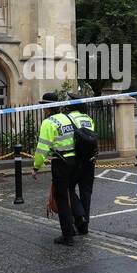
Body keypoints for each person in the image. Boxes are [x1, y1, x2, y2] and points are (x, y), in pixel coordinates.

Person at [32, 92, 84, 246]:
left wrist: (36, 167)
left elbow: (42, 149)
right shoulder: (67, 118)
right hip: (74, 162)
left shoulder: (48, 123)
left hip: (61, 163)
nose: (43, 109)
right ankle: (76, 224)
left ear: (47, 108)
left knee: (62, 200)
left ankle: (68, 236)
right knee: (69, 193)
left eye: (43, 106)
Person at [66, 97, 98, 235]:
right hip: (89, 160)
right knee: (86, 192)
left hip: (75, 160)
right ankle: (84, 226)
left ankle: (79, 216)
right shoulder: (88, 119)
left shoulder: (68, 118)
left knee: (68, 188)